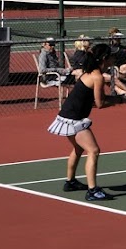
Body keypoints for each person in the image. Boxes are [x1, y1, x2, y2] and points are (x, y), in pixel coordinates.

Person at [48, 42, 116, 202]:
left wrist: (119, 98)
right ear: (104, 59)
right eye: (111, 56)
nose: (114, 58)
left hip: (66, 115)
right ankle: (92, 191)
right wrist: (120, 100)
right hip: (73, 119)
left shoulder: (90, 72)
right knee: (94, 151)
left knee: (78, 149)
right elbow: (100, 103)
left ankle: (70, 182)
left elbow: (96, 100)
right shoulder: (97, 77)